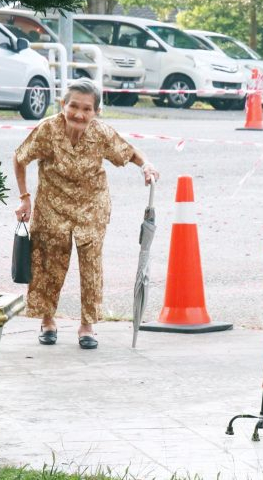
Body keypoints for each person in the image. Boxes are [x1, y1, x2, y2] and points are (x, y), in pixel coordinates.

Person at [13, 79, 159, 350]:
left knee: (91, 265)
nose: (79, 114)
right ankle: (47, 321)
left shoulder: (101, 133)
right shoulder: (48, 130)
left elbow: (130, 152)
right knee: (48, 264)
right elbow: (20, 157)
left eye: (87, 109)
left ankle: (87, 326)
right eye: (74, 106)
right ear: (63, 105)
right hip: (52, 206)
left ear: (96, 111)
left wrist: (146, 167)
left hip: (91, 207)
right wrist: (24, 199)